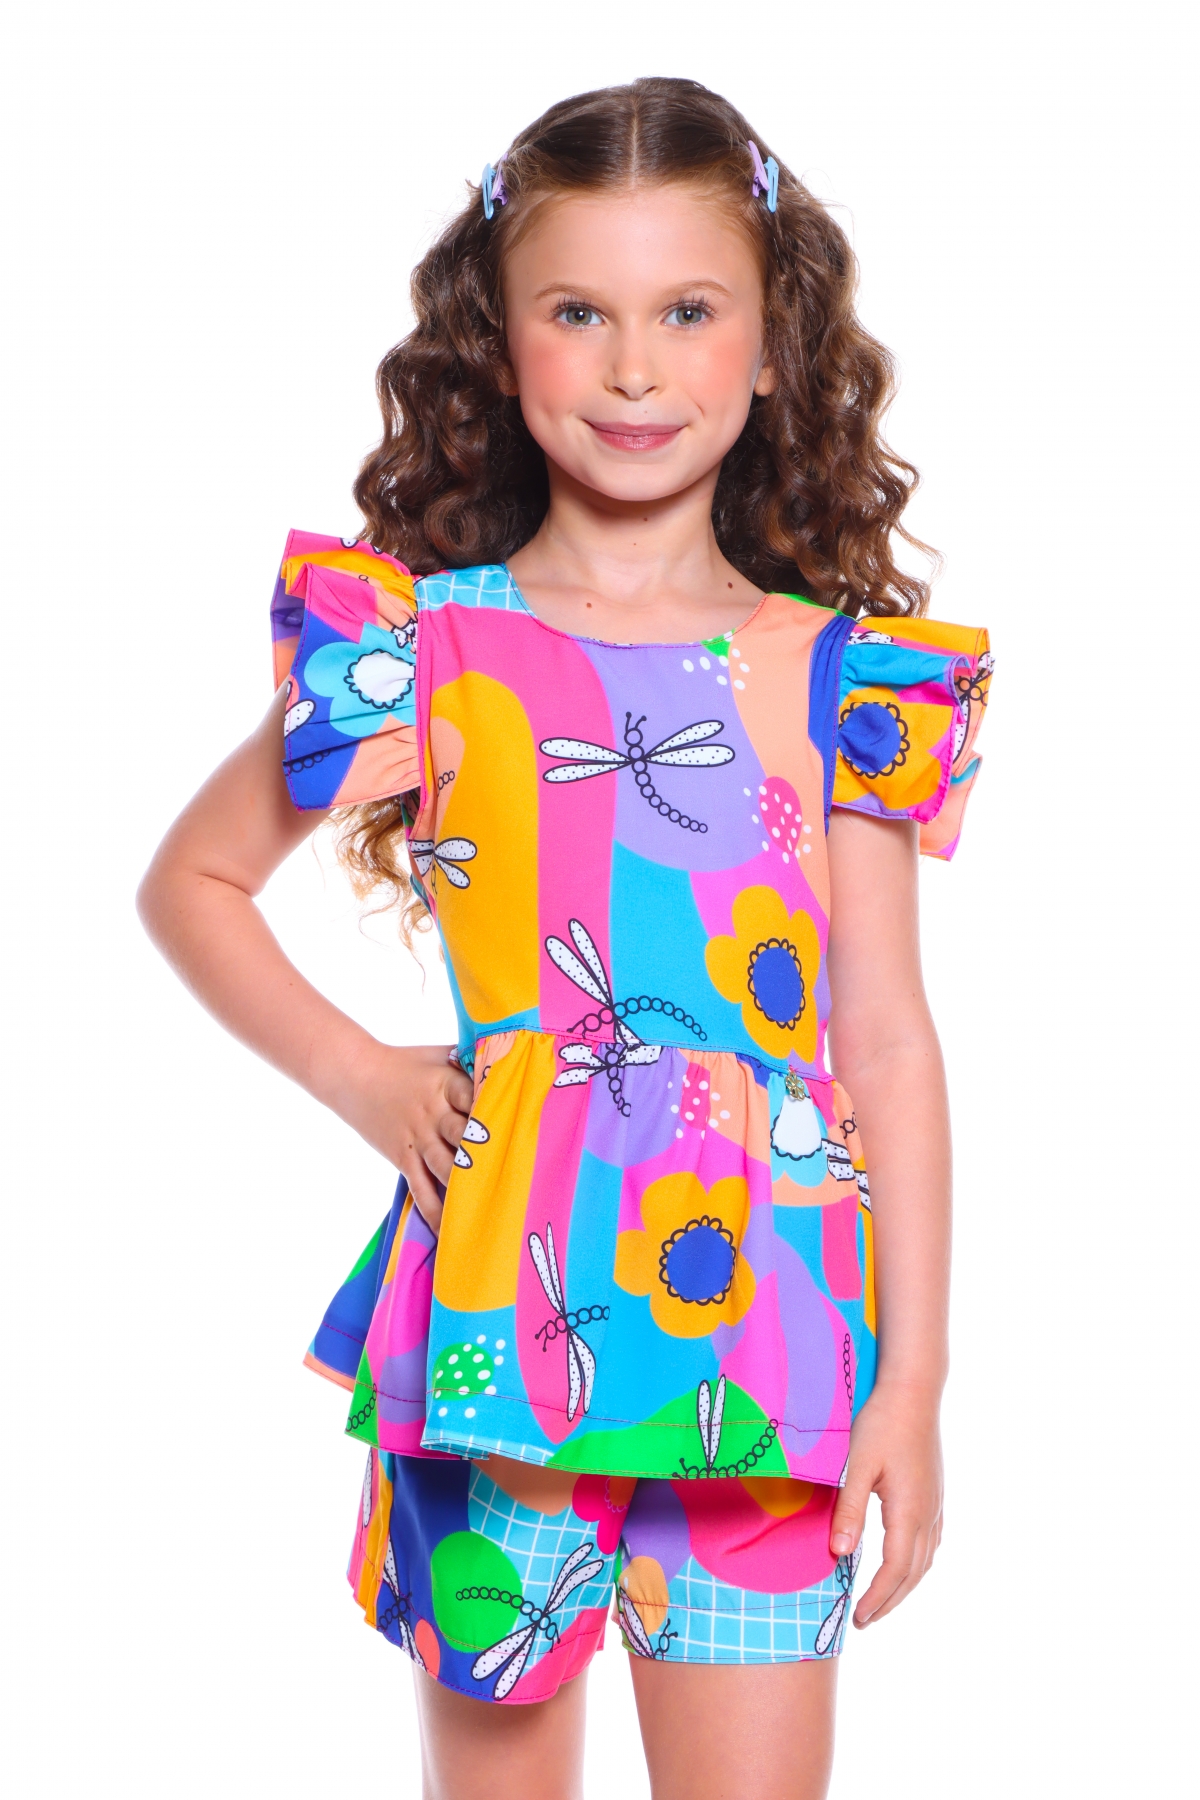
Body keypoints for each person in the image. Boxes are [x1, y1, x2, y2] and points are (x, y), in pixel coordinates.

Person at [139, 76, 992, 1800]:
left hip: (771, 1337)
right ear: (501, 340)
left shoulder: (844, 680)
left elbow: (889, 1039)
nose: (633, 369)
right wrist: (369, 1079)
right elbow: (194, 884)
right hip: (499, 1319)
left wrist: (913, 1379)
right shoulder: (419, 647)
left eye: (689, 312)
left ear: (774, 346)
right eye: (579, 312)